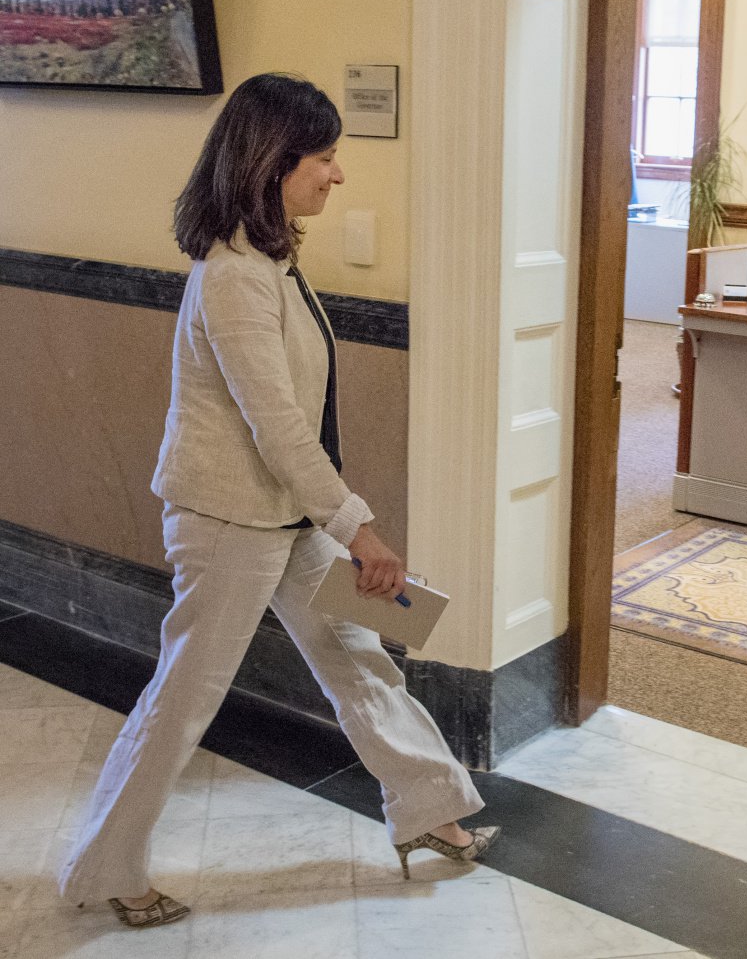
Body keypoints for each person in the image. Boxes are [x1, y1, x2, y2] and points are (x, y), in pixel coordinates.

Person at [58, 72, 499, 928]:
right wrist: (362, 531)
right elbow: (281, 431)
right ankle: (105, 866)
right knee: (183, 697)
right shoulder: (232, 276)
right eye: (325, 157)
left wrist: (335, 524)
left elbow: (296, 434)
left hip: (286, 517)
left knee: (359, 658)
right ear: (274, 161)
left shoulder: (268, 254)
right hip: (231, 524)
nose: (336, 175)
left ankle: (430, 814)